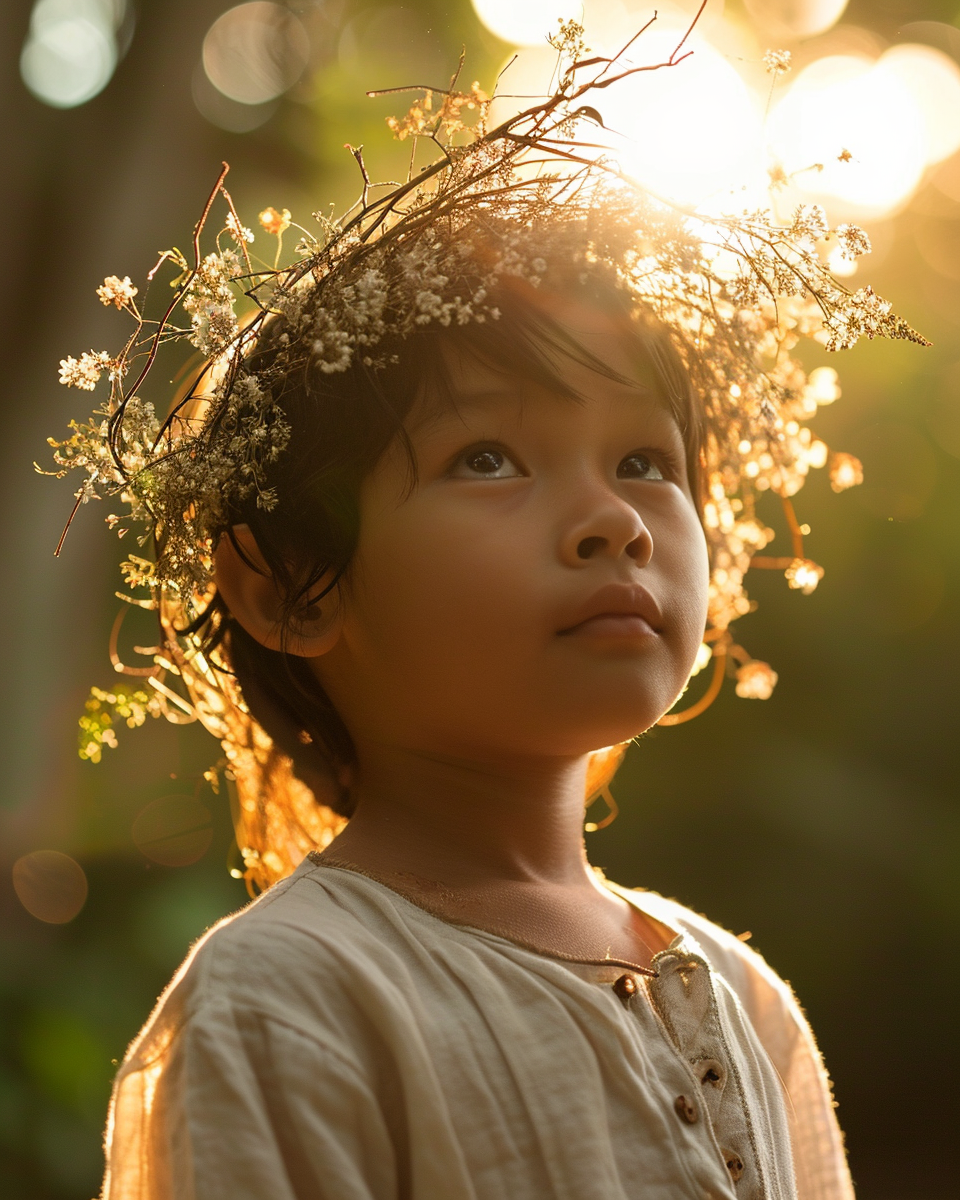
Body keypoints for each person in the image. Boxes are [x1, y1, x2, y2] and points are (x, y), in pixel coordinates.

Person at [49, 21, 924, 1200]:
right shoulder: (294, 997)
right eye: (490, 459)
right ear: (291, 585)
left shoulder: (743, 997)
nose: (612, 520)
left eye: (646, 464)